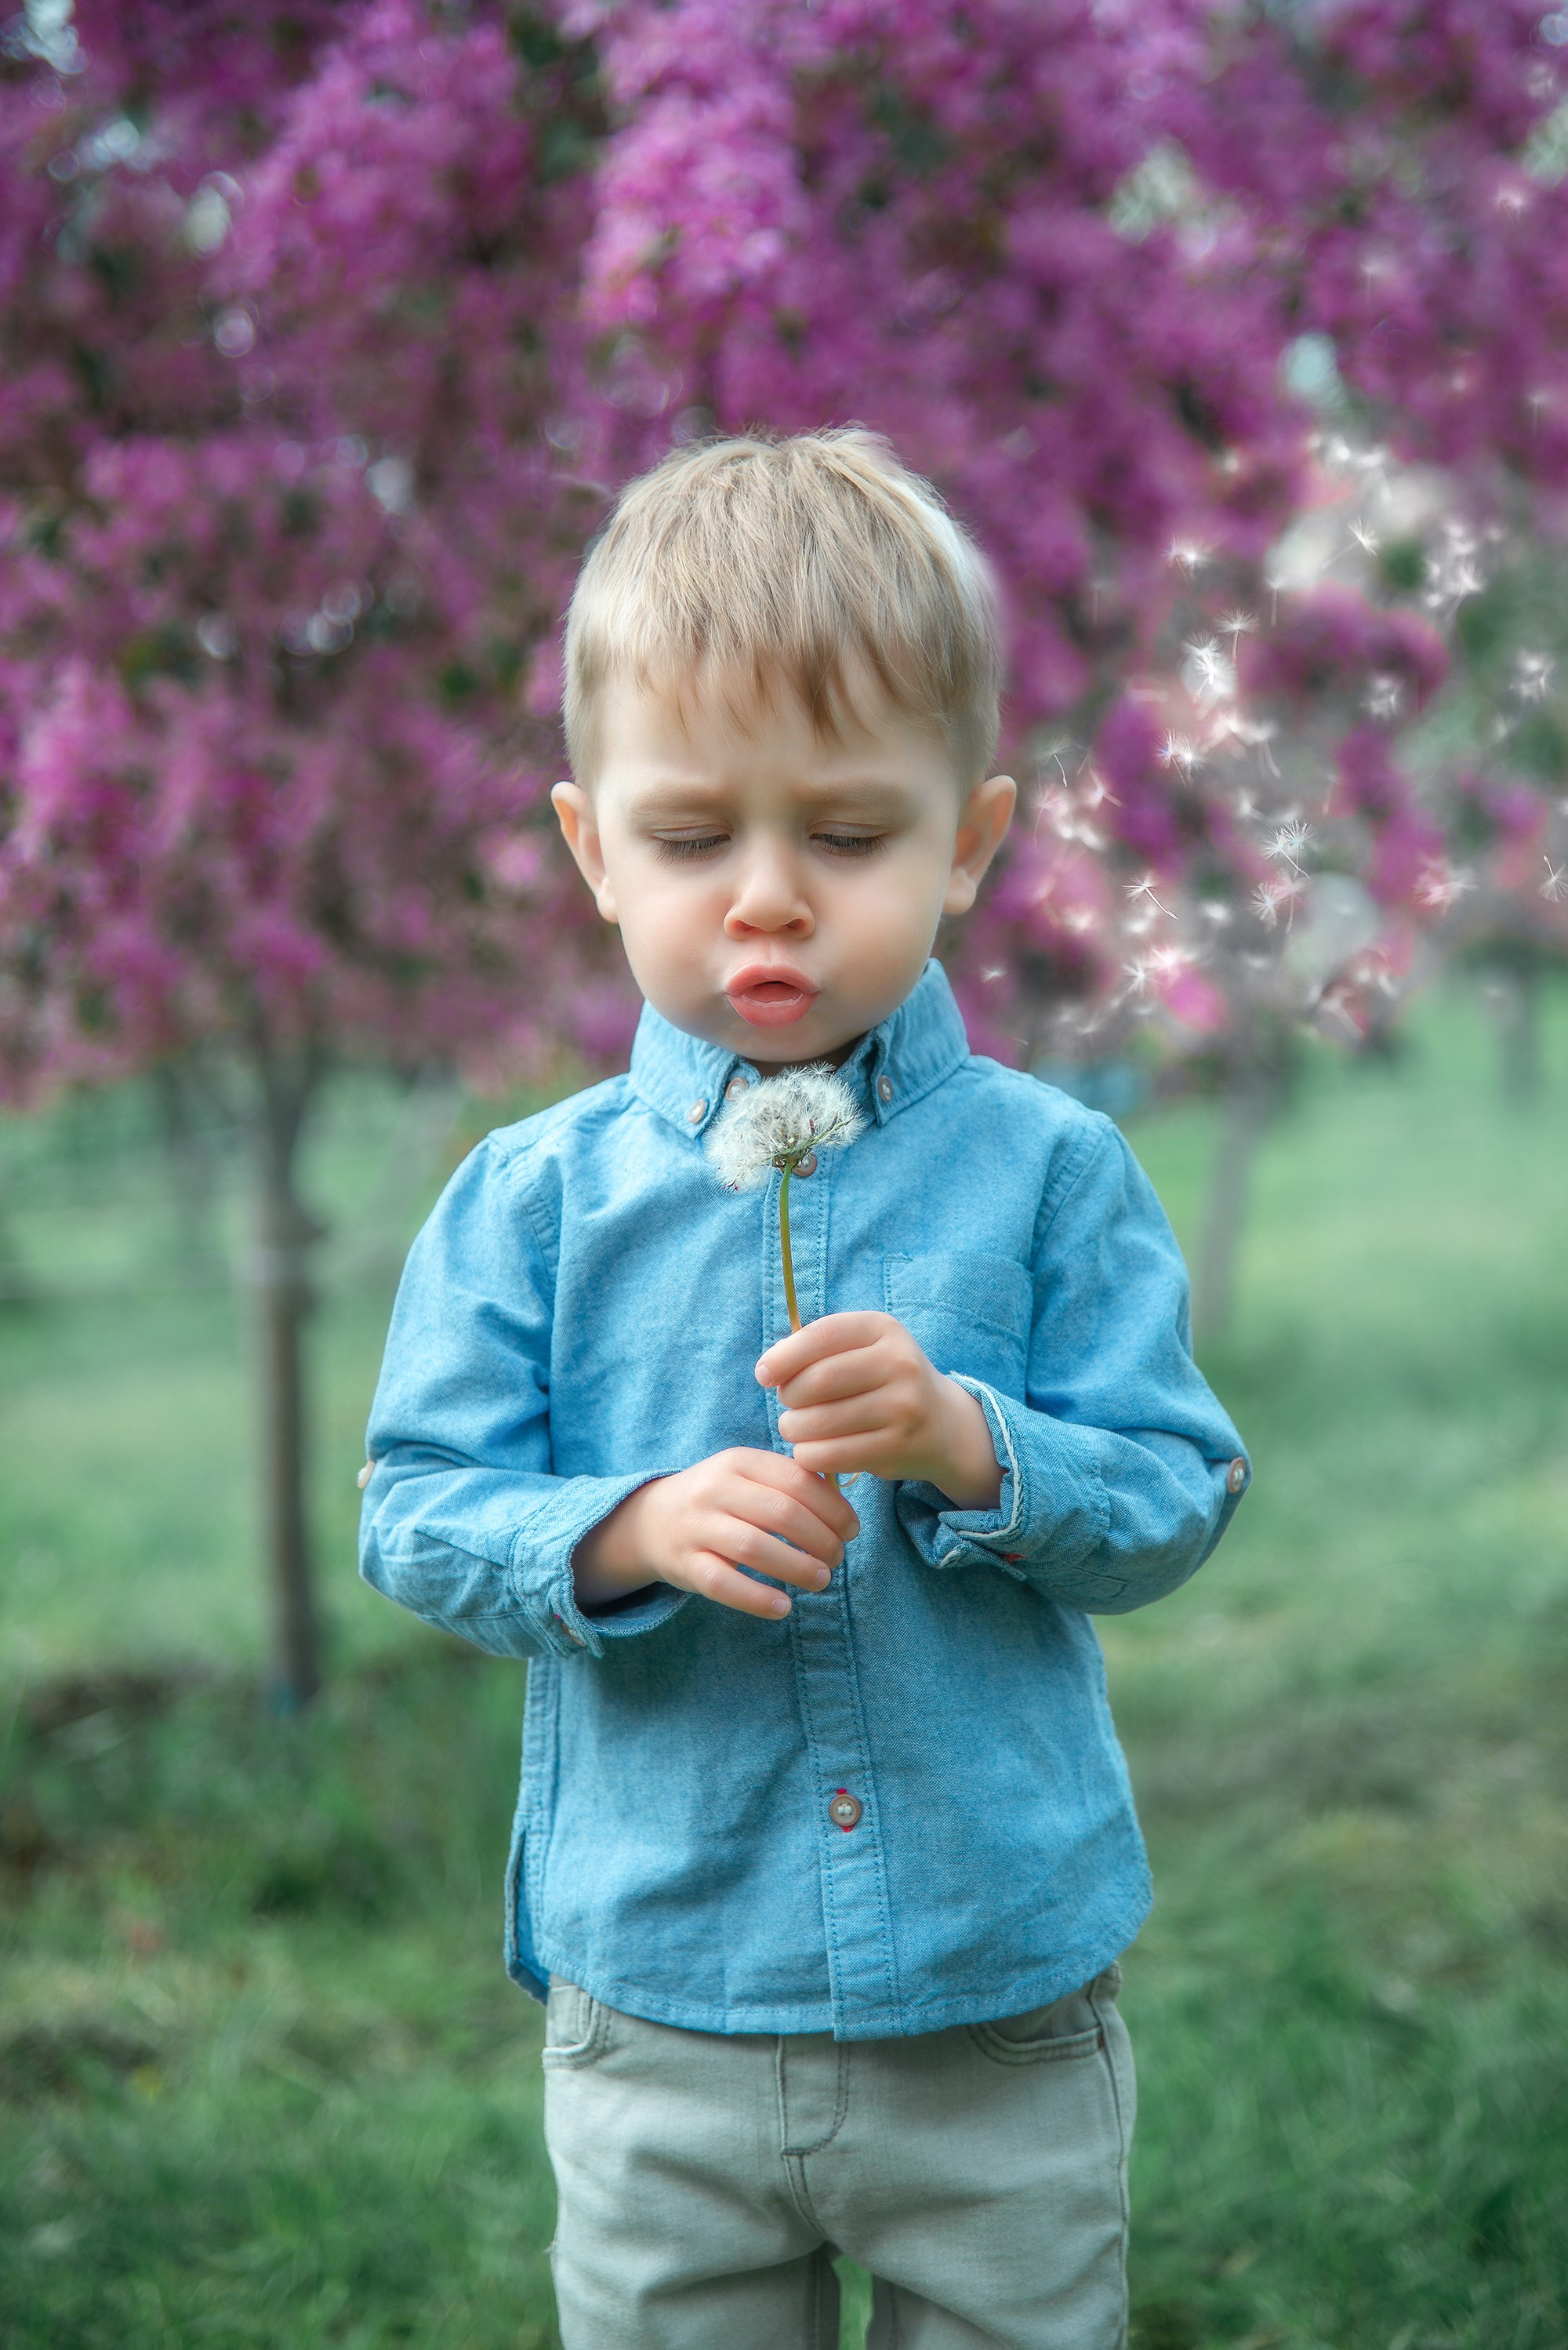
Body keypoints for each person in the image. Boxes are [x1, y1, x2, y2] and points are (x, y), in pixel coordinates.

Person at [359, 430, 1250, 2349]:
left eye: (846, 836)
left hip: (991, 1993)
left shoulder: (1049, 1171)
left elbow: (1176, 1490)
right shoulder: (533, 1195)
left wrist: (968, 1442)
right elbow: (416, 1505)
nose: (767, 900)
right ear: (594, 846)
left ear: (970, 843)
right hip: (665, 1990)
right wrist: (621, 1528)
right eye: (694, 838)